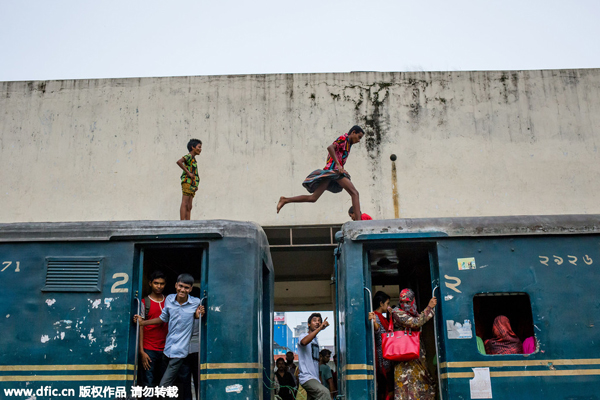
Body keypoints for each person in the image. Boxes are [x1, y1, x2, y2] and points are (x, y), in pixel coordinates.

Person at [134, 274, 205, 393]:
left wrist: (197, 316)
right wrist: (142, 323)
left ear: (191, 289)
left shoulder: (196, 303)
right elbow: (163, 318)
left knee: (163, 386)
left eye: (186, 288)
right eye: (181, 286)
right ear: (176, 285)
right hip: (167, 350)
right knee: (170, 384)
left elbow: (198, 319)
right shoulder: (169, 299)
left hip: (180, 352)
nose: (183, 290)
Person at [277, 126, 365, 219]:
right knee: (355, 193)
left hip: (331, 173)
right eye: (359, 137)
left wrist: (341, 167)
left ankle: (285, 200)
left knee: (313, 198)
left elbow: (337, 155)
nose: (359, 140)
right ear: (353, 132)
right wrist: (338, 165)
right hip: (333, 172)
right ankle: (359, 222)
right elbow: (330, 148)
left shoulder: (348, 143)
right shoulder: (344, 139)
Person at [389, 289, 437, 400]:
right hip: (404, 358)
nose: (405, 305)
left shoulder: (413, 313)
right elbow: (415, 323)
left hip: (415, 357)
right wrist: (429, 308)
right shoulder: (397, 312)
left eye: (407, 302)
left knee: (423, 387)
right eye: (402, 302)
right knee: (407, 390)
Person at [139, 271, 169, 390]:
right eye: (156, 283)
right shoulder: (144, 302)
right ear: (150, 283)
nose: (159, 286)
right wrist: (141, 352)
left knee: (164, 385)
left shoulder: (169, 301)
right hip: (149, 349)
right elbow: (140, 326)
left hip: (166, 349)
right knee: (148, 384)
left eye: (162, 284)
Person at [298, 313, 331, 400]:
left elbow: (315, 364)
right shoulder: (303, 336)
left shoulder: (316, 341)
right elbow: (304, 342)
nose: (317, 323)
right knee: (324, 392)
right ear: (308, 324)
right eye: (314, 321)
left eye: (319, 321)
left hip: (315, 378)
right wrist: (320, 329)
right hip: (307, 377)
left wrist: (319, 380)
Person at [367, 291, 393, 400]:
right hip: (382, 357)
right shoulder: (376, 317)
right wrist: (373, 322)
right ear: (381, 303)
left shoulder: (382, 317)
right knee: (385, 387)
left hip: (386, 355)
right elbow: (378, 332)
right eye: (387, 304)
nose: (388, 306)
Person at [176, 138, 202, 220]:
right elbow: (179, 162)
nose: (200, 149)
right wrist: (188, 173)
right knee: (185, 202)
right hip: (187, 182)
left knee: (189, 205)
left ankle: (188, 221)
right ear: (193, 147)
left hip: (192, 183)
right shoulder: (189, 156)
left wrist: (196, 184)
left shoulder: (193, 158)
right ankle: (183, 221)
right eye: (199, 147)